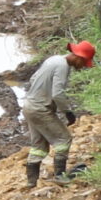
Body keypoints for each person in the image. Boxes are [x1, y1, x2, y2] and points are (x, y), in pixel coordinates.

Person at [21, 41, 95, 187]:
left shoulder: (54, 59)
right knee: (64, 139)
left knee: (38, 146)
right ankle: (60, 176)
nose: (81, 67)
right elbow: (58, 94)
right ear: (79, 57)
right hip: (40, 109)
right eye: (83, 63)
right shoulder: (63, 66)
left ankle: (31, 181)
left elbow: (32, 79)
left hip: (29, 105)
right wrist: (68, 112)